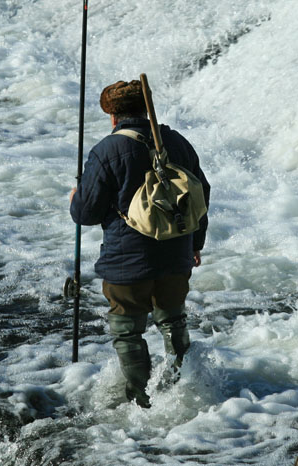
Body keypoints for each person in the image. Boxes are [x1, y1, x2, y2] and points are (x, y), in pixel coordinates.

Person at [70, 79, 210, 407]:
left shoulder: (107, 150)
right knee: (173, 320)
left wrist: (76, 197)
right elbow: (201, 194)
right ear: (147, 110)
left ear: (113, 116)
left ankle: (141, 401)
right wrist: (194, 243)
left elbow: (86, 214)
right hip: (177, 255)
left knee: (128, 330)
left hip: (126, 261)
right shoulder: (178, 143)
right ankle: (178, 391)